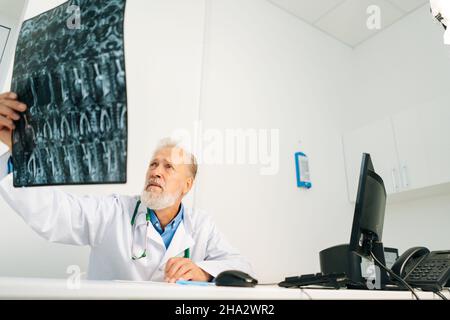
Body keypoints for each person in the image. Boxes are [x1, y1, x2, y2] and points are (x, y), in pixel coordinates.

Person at [0, 91, 253, 282]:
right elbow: (55, 214)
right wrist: (18, 150)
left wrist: (204, 272)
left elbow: (242, 268)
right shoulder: (113, 211)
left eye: (168, 167)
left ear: (187, 185)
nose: (155, 171)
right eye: (153, 164)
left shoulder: (201, 226)